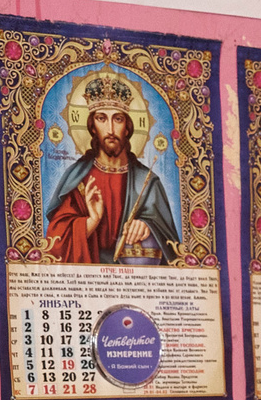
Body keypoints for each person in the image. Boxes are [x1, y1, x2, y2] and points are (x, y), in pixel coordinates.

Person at [44, 74, 180, 265]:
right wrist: (91, 221)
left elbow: (173, 249)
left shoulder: (148, 182)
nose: (110, 129)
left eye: (117, 119)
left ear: (127, 127)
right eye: (101, 118)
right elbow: (55, 244)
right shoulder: (78, 179)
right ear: (92, 127)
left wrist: (148, 226)